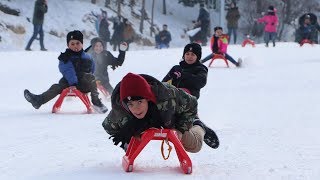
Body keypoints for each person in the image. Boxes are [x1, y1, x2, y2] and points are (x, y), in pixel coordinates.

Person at [102, 72, 219, 152]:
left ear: (147, 98)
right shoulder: (120, 111)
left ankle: (199, 125)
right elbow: (108, 126)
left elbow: (192, 103)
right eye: (131, 104)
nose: (136, 109)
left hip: (171, 117)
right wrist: (127, 138)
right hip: (141, 122)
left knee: (194, 146)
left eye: (139, 102)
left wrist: (181, 128)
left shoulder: (167, 94)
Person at [24, 30, 108, 113]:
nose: (75, 46)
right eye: (72, 44)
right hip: (69, 83)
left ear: (82, 44)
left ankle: (96, 102)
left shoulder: (88, 57)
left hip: (83, 84)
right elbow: (68, 70)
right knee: (55, 87)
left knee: (90, 77)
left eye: (78, 43)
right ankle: (38, 100)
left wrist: (88, 80)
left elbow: (92, 70)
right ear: (68, 45)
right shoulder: (65, 57)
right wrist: (73, 83)